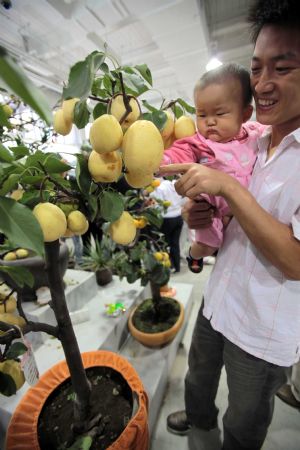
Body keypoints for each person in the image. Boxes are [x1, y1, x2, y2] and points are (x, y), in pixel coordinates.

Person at [159, 0, 300, 448]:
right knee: (199, 375)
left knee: (246, 417)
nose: (262, 84)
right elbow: (238, 223)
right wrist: (203, 216)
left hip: (261, 329)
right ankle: (200, 422)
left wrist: (228, 190)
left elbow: (296, 260)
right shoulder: (255, 143)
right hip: (220, 298)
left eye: (282, 67)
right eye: (257, 68)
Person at [162, 63, 265, 273]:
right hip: (211, 210)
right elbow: (179, 153)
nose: (209, 122)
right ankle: (193, 256)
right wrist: (160, 161)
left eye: (219, 114)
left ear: (245, 114)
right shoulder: (200, 142)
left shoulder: (256, 134)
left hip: (244, 213)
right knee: (208, 245)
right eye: (201, 115)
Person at [149, 178, 185, 272]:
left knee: (164, 243)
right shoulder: (174, 185)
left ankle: (168, 266)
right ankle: (177, 266)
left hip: (167, 218)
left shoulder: (159, 188)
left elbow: (157, 205)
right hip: (178, 216)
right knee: (175, 243)